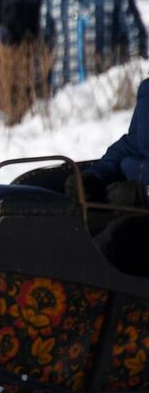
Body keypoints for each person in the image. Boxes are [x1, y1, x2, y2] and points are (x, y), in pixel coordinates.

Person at [83, 78, 149, 276]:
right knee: (71, 222)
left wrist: (143, 193)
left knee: (118, 237)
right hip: (132, 201)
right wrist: (94, 176)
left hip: (141, 203)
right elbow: (131, 143)